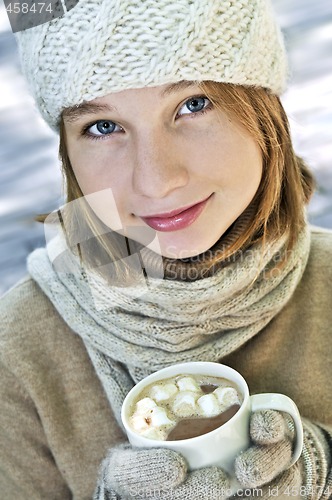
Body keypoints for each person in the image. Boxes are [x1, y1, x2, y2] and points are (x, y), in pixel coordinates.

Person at [0, 0, 331, 498]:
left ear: (264, 111)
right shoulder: (19, 349)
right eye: (103, 127)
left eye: (192, 105)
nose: (155, 182)